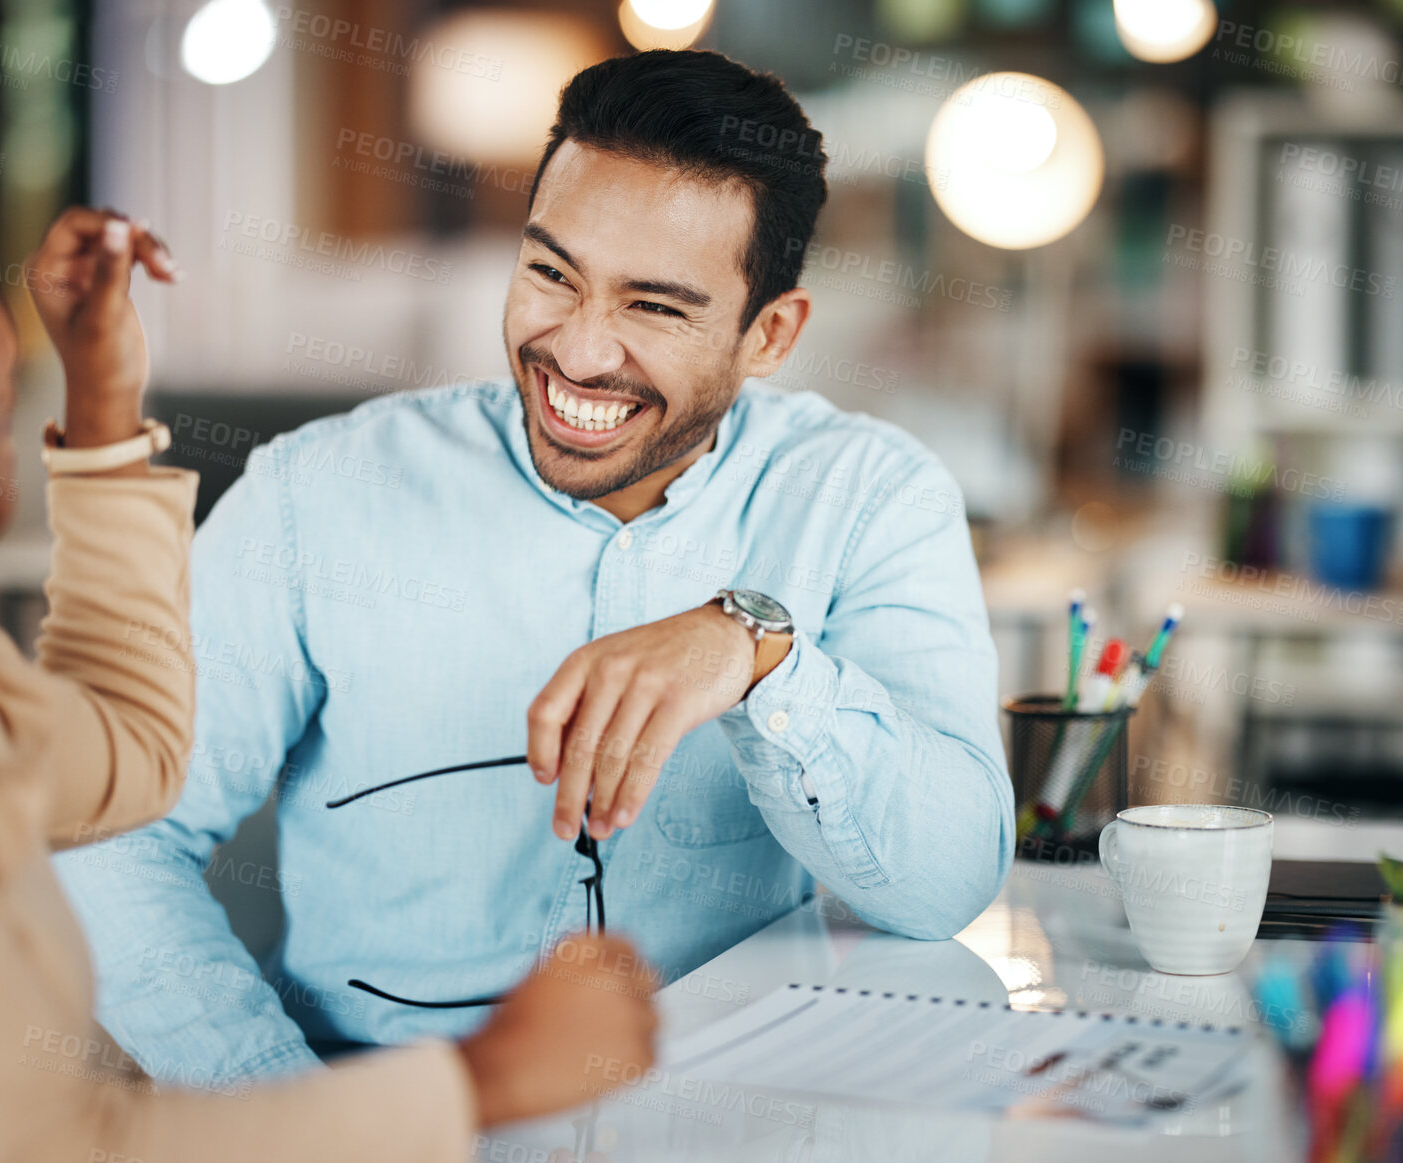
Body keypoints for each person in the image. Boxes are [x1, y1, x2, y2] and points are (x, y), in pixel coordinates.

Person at [58, 48, 1013, 1084]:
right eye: (552, 274)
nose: (580, 353)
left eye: (655, 307)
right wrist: (291, 1114)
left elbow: (944, 881)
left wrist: (759, 657)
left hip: (726, 1117)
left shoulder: (868, 496)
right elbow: (110, 835)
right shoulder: (314, 494)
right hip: (387, 1106)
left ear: (767, 335)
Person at [0, 149, 655, 1160]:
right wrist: (486, 1078)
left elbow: (129, 752)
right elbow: (47, 1145)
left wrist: (104, 403)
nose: (11, 351)